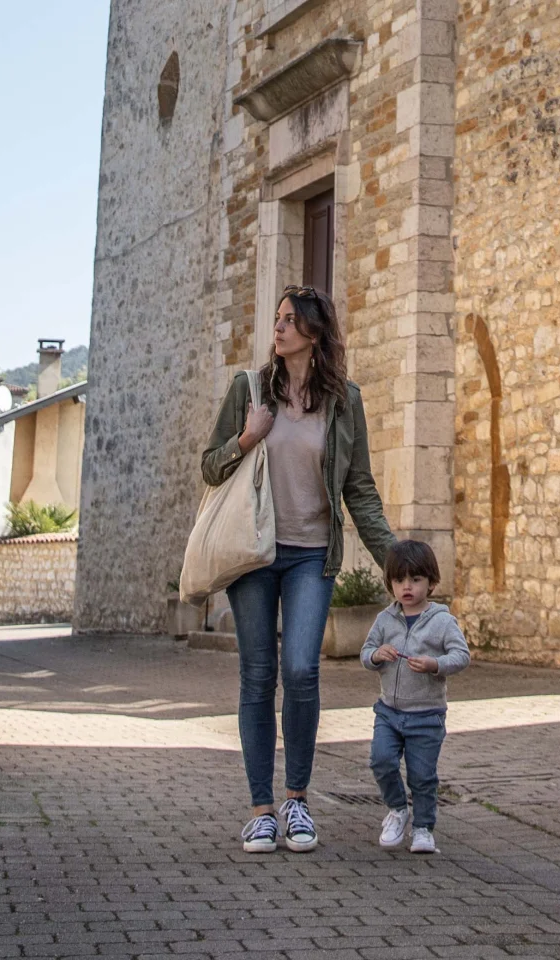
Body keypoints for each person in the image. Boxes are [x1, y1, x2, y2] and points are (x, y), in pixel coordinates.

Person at [202, 285, 395, 854]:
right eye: (278, 319)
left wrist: (398, 563)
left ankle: (297, 800)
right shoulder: (249, 389)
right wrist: (246, 437)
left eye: (290, 321)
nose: (278, 328)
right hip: (254, 553)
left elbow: (359, 491)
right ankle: (261, 809)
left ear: (314, 334)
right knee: (259, 676)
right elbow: (210, 467)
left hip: (313, 553)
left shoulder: (345, 401)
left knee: (302, 671)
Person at [360, 540, 470, 854]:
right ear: (391, 584)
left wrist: (436, 665)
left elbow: (461, 656)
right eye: (399, 580)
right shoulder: (384, 620)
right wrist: (377, 655)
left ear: (431, 583)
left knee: (422, 775)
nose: (407, 587)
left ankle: (423, 828)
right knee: (381, 761)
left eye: (415, 580)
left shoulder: (442, 621)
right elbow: (366, 654)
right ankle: (397, 809)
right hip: (388, 712)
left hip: (427, 715)